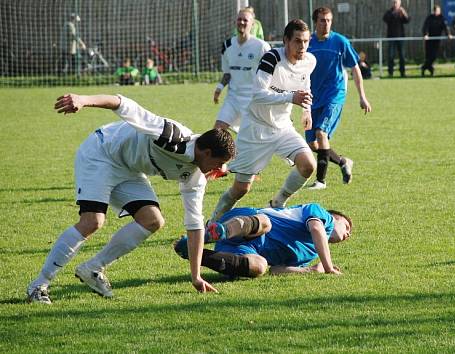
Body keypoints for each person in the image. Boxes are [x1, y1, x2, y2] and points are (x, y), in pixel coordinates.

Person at [26, 94, 236, 304]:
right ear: (207, 152)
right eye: (219, 163)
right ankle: (39, 285)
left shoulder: (196, 176)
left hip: (129, 170)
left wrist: (196, 276)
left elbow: (195, 224)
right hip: (101, 152)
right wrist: (83, 100)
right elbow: (124, 104)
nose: (220, 170)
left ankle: (93, 268)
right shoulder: (172, 136)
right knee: (92, 222)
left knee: (152, 221)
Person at [210, 19, 316, 222]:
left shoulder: (310, 60)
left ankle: (277, 203)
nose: (302, 46)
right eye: (297, 41)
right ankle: (214, 221)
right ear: (286, 40)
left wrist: (306, 111)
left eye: (305, 41)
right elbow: (258, 94)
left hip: (283, 127)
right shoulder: (272, 57)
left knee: (308, 165)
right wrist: (291, 97)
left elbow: (306, 85)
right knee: (241, 188)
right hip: (255, 129)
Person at [172, 203, 352, 277]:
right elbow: (316, 228)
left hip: (245, 249)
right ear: (334, 217)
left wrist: (310, 269)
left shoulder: (311, 253)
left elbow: (276, 270)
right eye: (347, 227)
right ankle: (211, 233)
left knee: (260, 267)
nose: (348, 234)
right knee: (266, 224)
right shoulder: (322, 216)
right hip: (246, 223)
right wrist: (328, 267)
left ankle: (193, 251)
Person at [305, 7, 372, 190]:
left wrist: (362, 97)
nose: (325, 24)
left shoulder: (340, 42)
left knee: (321, 133)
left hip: (334, 94)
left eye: (328, 20)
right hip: (313, 97)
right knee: (313, 143)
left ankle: (320, 181)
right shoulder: (307, 43)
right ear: (315, 22)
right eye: (321, 20)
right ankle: (343, 161)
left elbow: (355, 69)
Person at [214, 7, 270, 133]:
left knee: (249, 137)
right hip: (232, 99)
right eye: (239, 19)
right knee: (217, 131)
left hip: (252, 99)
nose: (242, 22)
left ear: (253, 24)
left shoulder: (262, 46)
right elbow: (227, 73)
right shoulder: (227, 45)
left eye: (245, 20)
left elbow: (272, 74)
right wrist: (219, 88)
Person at [421, 5, 451, 77]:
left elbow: (445, 27)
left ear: (439, 11)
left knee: (434, 56)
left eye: (437, 11)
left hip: (437, 40)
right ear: (433, 11)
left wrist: (448, 34)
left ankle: (425, 67)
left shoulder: (442, 18)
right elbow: (425, 27)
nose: (436, 12)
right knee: (428, 56)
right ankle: (429, 69)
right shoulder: (429, 18)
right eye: (435, 11)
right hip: (429, 40)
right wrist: (425, 34)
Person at [383, 0, 410, 77]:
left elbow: (407, 20)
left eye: (396, 2)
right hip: (391, 37)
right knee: (391, 56)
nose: (395, 4)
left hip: (400, 37)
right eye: (394, 2)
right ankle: (390, 73)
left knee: (402, 56)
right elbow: (385, 19)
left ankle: (402, 72)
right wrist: (393, 13)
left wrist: (404, 13)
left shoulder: (401, 12)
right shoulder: (389, 12)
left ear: (399, 3)